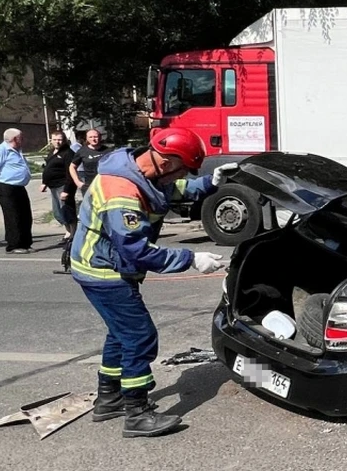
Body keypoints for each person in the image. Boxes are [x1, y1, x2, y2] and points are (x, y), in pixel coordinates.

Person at [70, 127, 234, 438]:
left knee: (120, 334)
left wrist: (211, 182)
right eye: (182, 169)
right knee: (139, 338)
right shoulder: (122, 193)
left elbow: (177, 190)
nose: (180, 176)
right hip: (104, 272)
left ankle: (108, 399)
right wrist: (191, 259)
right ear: (167, 162)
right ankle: (137, 413)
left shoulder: (140, 173)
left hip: (101, 267)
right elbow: (136, 251)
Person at [0, 128, 34, 254]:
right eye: (21, 137)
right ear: (14, 139)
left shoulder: (17, 150)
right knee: (13, 216)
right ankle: (14, 245)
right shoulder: (1, 150)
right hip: (6, 186)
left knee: (25, 215)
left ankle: (25, 243)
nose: (23, 139)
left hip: (18, 187)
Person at [40, 131, 78, 243]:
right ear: (51, 140)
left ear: (64, 140)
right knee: (58, 212)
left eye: (60, 139)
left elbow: (70, 173)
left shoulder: (68, 153)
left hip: (63, 186)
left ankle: (73, 234)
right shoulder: (52, 152)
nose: (57, 142)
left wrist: (66, 190)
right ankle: (68, 231)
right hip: (53, 186)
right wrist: (44, 182)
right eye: (55, 139)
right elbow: (48, 168)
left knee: (67, 210)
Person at [69, 129, 110, 197]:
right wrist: (77, 182)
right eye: (90, 137)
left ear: (100, 137)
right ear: (87, 138)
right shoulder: (82, 151)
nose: (93, 139)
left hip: (105, 185)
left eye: (95, 137)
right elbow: (72, 167)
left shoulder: (108, 151)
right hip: (89, 186)